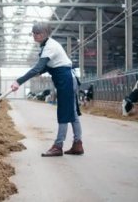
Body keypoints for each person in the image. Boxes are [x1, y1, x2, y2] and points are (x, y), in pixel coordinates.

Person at [10, 22, 84, 157]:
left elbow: (39, 68)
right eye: (33, 33)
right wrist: (36, 73)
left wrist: (19, 81)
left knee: (64, 112)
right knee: (71, 112)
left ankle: (58, 146)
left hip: (65, 79)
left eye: (37, 33)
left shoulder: (50, 46)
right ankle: (77, 144)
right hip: (66, 78)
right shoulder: (46, 45)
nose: (34, 36)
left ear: (44, 34)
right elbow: (43, 68)